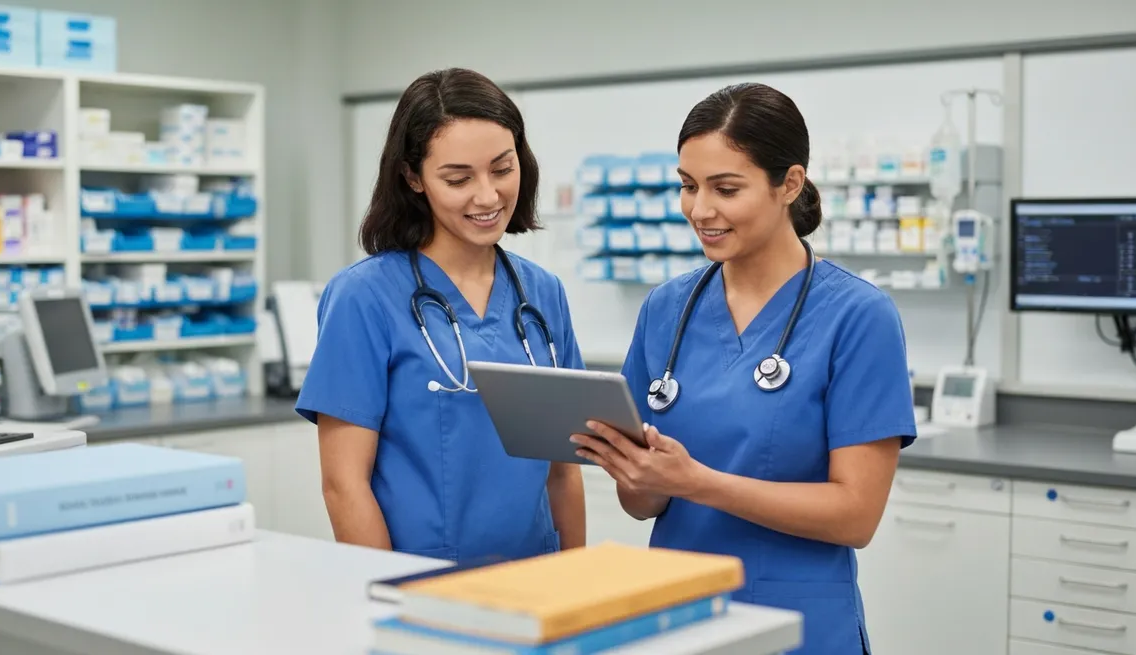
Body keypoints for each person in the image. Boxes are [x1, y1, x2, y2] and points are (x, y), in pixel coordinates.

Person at [570, 82, 916, 655]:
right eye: (688, 186)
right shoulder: (666, 309)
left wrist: (696, 482)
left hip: (797, 621)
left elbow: (855, 516)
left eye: (726, 188)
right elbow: (642, 504)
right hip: (677, 614)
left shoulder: (857, 316)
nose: (701, 210)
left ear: (790, 184)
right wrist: (638, 476)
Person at [297, 68, 586, 565]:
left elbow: (563, 469)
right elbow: (344, 485)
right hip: (422, 582)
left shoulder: (542, 294)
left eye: (502, 169)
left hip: (537, 579)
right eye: (458, 178)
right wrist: (388, 597)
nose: (488, 196)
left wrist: (576, 582)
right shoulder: (364, 298)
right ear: (413, 178)